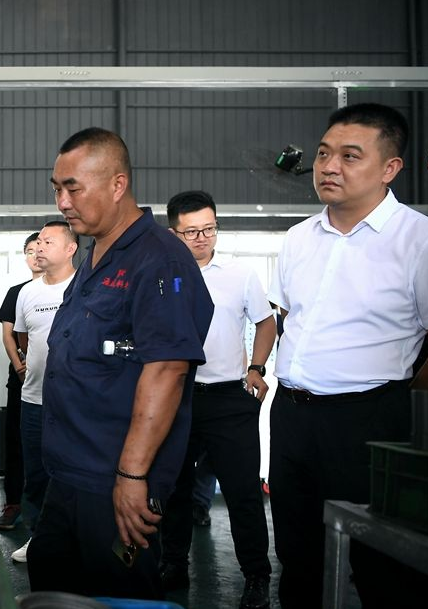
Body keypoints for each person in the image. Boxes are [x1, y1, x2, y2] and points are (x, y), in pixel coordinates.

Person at [25, 127, 213, 599]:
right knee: (51, 581)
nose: (62, 202)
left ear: (117, 185)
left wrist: (132, 477)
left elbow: (168, 369)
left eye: (73, 188)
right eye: (57, 188)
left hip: (115, 478)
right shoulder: (95, 254)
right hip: (70, 469)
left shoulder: (160, 259)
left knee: (117, 592)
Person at [267, 102, 428, 608]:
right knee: (297, 555)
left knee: (380, 562)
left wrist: (407, 410)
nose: (329, 166)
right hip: (291, 415)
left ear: (390, 168)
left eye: (350, 156)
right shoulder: (299, 238)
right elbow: (288, 317)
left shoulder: (417, 240)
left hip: (370, 423)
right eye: (323, 154)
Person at [161, 190, 275, 609]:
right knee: (172, 487)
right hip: (175, 397)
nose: (202, 238)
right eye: (191, 231)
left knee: (243, 492)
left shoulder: (239, 273)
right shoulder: (159, 275)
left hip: (229, 399)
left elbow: (266, 323)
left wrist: (257, 367)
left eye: (209, 229)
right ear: (173, 233)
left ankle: (257, 577)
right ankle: (173, 565)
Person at [10, 221, 78, 562]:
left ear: (70, 248)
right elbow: (25, 340)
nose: (39, 247)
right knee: (36, 475)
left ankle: (75, 541)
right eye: (37, 241)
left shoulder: (83, 288)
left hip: (74, 403)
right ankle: (38, 538)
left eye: (48, 242)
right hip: (33, 400)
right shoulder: (27, 293)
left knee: (73, 474)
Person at [0, 232, 43, 532]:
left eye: (41, 248)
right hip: (22, 380)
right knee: (16, 442)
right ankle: (13, 503)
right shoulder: (17, 292)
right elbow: (8, 334)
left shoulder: (71, 287)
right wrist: (19, 367)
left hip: (56, 384)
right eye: (30, 250)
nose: (36, 255)